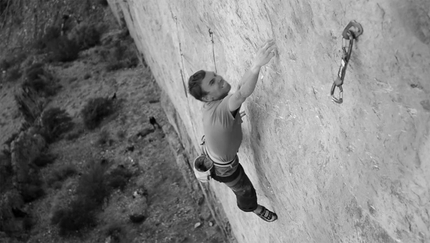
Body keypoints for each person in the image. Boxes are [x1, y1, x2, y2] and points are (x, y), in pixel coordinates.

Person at [188, 39, 278, 222]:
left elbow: (238, 89)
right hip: (226, 170)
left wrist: (255, 63)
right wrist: (256, 66)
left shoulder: (213, 104)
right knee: (244, 190)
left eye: (215, 75)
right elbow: (242, 94)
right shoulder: (222, 110)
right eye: (213, 82)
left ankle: (207, 163)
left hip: (213, 153)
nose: (220, 79)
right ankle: (253, 208)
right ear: (207, 97)